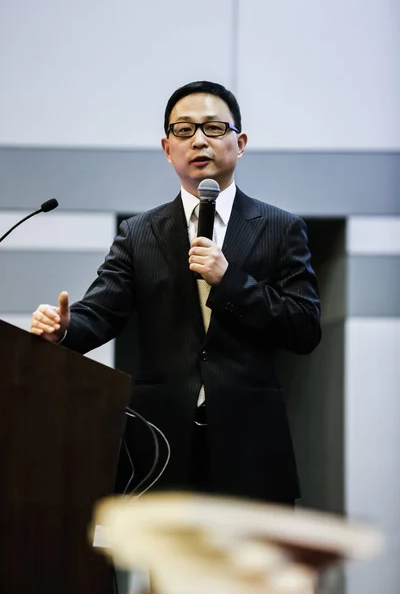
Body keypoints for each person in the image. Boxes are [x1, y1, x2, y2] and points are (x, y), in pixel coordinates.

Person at [30, 80, 321, 505]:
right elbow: (101, 312)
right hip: (163, 443)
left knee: (247, 573)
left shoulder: (280, 228)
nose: (199, 140)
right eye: (184, 130)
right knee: (165, 574)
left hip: (251, 445)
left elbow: (305, 327)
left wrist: (231, 281)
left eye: (214, 128)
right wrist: (65, 330)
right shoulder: (139, 233)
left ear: (239, 143)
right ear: (168, 149)